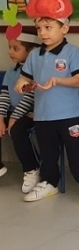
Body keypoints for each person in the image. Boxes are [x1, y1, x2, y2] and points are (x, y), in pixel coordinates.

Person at [15, 0, 79, 208]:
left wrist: (58, 80)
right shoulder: (34, 55)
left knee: (77, 154)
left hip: (69, 115)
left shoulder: (72, 52)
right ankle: (49, 182)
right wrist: (22, 84)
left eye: (48, 27)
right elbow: (25, 77)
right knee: (48, 154)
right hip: (43, 116)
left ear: (64, 28)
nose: (43, 33)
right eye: (39, 28)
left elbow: (78, 80)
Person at [0, 25, 42, 191]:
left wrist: (14, 118)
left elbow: (30, 98)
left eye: (16, 48)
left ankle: (31, 169)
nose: (10, 52)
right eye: (10, 47)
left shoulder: (36, 71)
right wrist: (1, 117)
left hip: (31, 113)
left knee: (17, 130)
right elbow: (4, 95)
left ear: (31, 51)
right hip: (13, 112)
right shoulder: (11, 72)